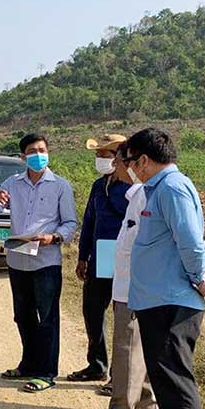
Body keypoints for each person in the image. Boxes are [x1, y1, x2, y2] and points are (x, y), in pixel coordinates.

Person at [121, 128, 205, 409]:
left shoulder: (172, 188)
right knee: (162, 375)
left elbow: (191, 241)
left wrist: (198, 277)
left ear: (144, 160)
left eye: (130, 161)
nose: (130, 168)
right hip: (156, 299)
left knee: (176, 378)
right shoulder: (158, 189)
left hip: (172, 300)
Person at [0, 133, 78, 392]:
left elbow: (70, 222)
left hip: (46, 260)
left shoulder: (61, 186)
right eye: (32, 151)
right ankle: (28, 364)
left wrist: (54, 237)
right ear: (23, 156)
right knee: (23, 316)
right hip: (17, 259)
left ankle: (46, 372)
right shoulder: (12, 183)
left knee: (47, 318)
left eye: (42, 150)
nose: (38, 155)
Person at [89, 142, 160, 409]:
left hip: (137, 284)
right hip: (129, 280)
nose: (114, 167)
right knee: (140, 347)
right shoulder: (137, 194)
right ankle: (146, 404)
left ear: (134, 163)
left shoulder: (146, 195)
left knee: (127, 347)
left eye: (116, 161)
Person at [68, 134, 130, 386]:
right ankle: (97, 364)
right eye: (98, 155)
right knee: (93, 309)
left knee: (123, 316)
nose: (100, 159)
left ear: (119, 158)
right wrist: (83, 257)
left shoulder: (131, 188)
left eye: (104, 155)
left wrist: (114, 187)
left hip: (125, 255)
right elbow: (90, 223)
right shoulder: (97, 185)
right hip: (101, 252)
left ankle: (121, 376)